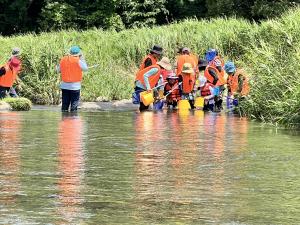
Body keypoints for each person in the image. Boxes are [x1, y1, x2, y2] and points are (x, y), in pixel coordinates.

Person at [57, 45, 88, 112]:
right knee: (74, 107)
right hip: (75, 87)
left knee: (64, 107)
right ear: (79, 53)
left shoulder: (63, 59)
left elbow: (58, 70)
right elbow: (85, 68)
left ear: (70, 52)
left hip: (64, 86)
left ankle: (64, 120)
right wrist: (82, 58)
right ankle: (73, 120)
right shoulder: (78, 61)